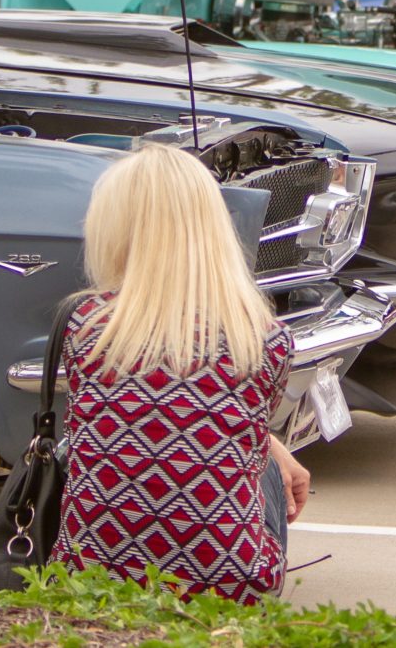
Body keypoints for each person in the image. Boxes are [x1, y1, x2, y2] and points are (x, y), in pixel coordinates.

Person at [51, 142, 310, 604]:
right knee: (263, 464)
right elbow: (221, 422)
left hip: (89, 579)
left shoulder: (87, 326)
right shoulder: (266, 339)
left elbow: (141, 412)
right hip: (227, 583)